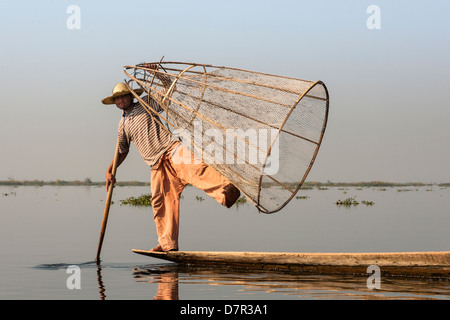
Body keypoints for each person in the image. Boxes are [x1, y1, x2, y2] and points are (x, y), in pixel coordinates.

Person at [101, 63, 241, 252]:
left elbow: (168, 89)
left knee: (197, 169)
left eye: (124, 96)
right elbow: (122, 150)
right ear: (115, 103)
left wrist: (156, 73)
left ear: (131, 96)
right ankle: (168, 244)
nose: (121, 100)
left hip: (171, 149)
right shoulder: (122, 125)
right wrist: (111, 170)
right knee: (160, 202)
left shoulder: (145, 103)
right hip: (156, 164)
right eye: (117, 99)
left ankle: (227, 190)